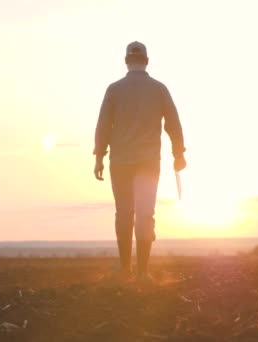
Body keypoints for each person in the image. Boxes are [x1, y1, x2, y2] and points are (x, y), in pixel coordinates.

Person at [93, 41, 187, 283]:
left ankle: (125, 270)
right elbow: (173, 123)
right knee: (145, 215)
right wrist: (179, 153)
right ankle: (143, 274)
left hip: (120, 161)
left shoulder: (114, 89)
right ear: (146, 61)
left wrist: (99, 156)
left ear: (126, 61)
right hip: (148, 162)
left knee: (124, 214)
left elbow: (103, 124)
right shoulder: (159, 89)